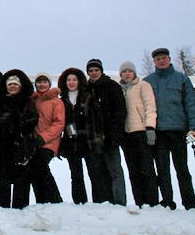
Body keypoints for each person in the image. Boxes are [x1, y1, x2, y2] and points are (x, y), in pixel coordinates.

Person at [144, 47, 195, 210]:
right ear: (154, 62)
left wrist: (194, 128)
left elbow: (191, 104)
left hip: (178, 131)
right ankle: (167, 201)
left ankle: (190, 203)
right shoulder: (148, 81)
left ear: (169, 59)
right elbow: (145, 107)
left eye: (164, 58)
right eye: (158, 59)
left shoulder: (181, 79)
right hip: (158, 132)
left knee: (182, 170)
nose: (161, 61)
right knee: (162, 170)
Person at [0, 70, 38, 209]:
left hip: (22, 145)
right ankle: (1, 206)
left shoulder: (28, 102)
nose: (12, 86)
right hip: (2, 145)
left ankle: (20, 207)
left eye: (15, 84)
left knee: (22, 178)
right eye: (9, 84)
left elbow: (32, 121)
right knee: (1, 177)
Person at [85, 58, 127, 205]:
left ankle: (119, 202)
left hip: (110, 136)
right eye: (90, 70)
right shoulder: (86, 88)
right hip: (93, 138)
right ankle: (103, 202)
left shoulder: (112, 86)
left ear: (101, 71)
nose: (93, 73)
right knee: (99, 172)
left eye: (96, 70)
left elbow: (120, 112)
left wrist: (116, 134)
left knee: (115, 171)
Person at [118, 61, 159, 208]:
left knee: (147, 168)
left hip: (142, 131)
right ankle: (139, 201)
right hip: (126, 134)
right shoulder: (119, 89)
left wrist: (150, 128)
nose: (127, 74)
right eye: (124, 71)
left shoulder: (143, 86)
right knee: (133, 170)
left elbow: (150, 107)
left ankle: (153, 202)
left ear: (134, 73)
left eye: (130, 71)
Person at [57, 67, 99, 204]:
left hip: (88, 141)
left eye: (74, 79)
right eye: (69, 80)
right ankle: (80, 203)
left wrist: (97, 138)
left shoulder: (88, 97)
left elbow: (96, 119)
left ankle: (99, 203)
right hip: (70, 143)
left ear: (79, 81)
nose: (71, 82)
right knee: (76, 176)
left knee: (94, 174)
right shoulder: (62, 100)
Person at [28, 72, 65, 204]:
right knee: (33, 169)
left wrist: (43, 137)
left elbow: (59, 123)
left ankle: (56, 199)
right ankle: (41, 201)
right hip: (34, 141)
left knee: (41, 166)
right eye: (39, 82)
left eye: (44, 82)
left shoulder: (56, 101)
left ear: (49, 84)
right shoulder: (33, 100)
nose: (42, 84)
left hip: (49, 142)